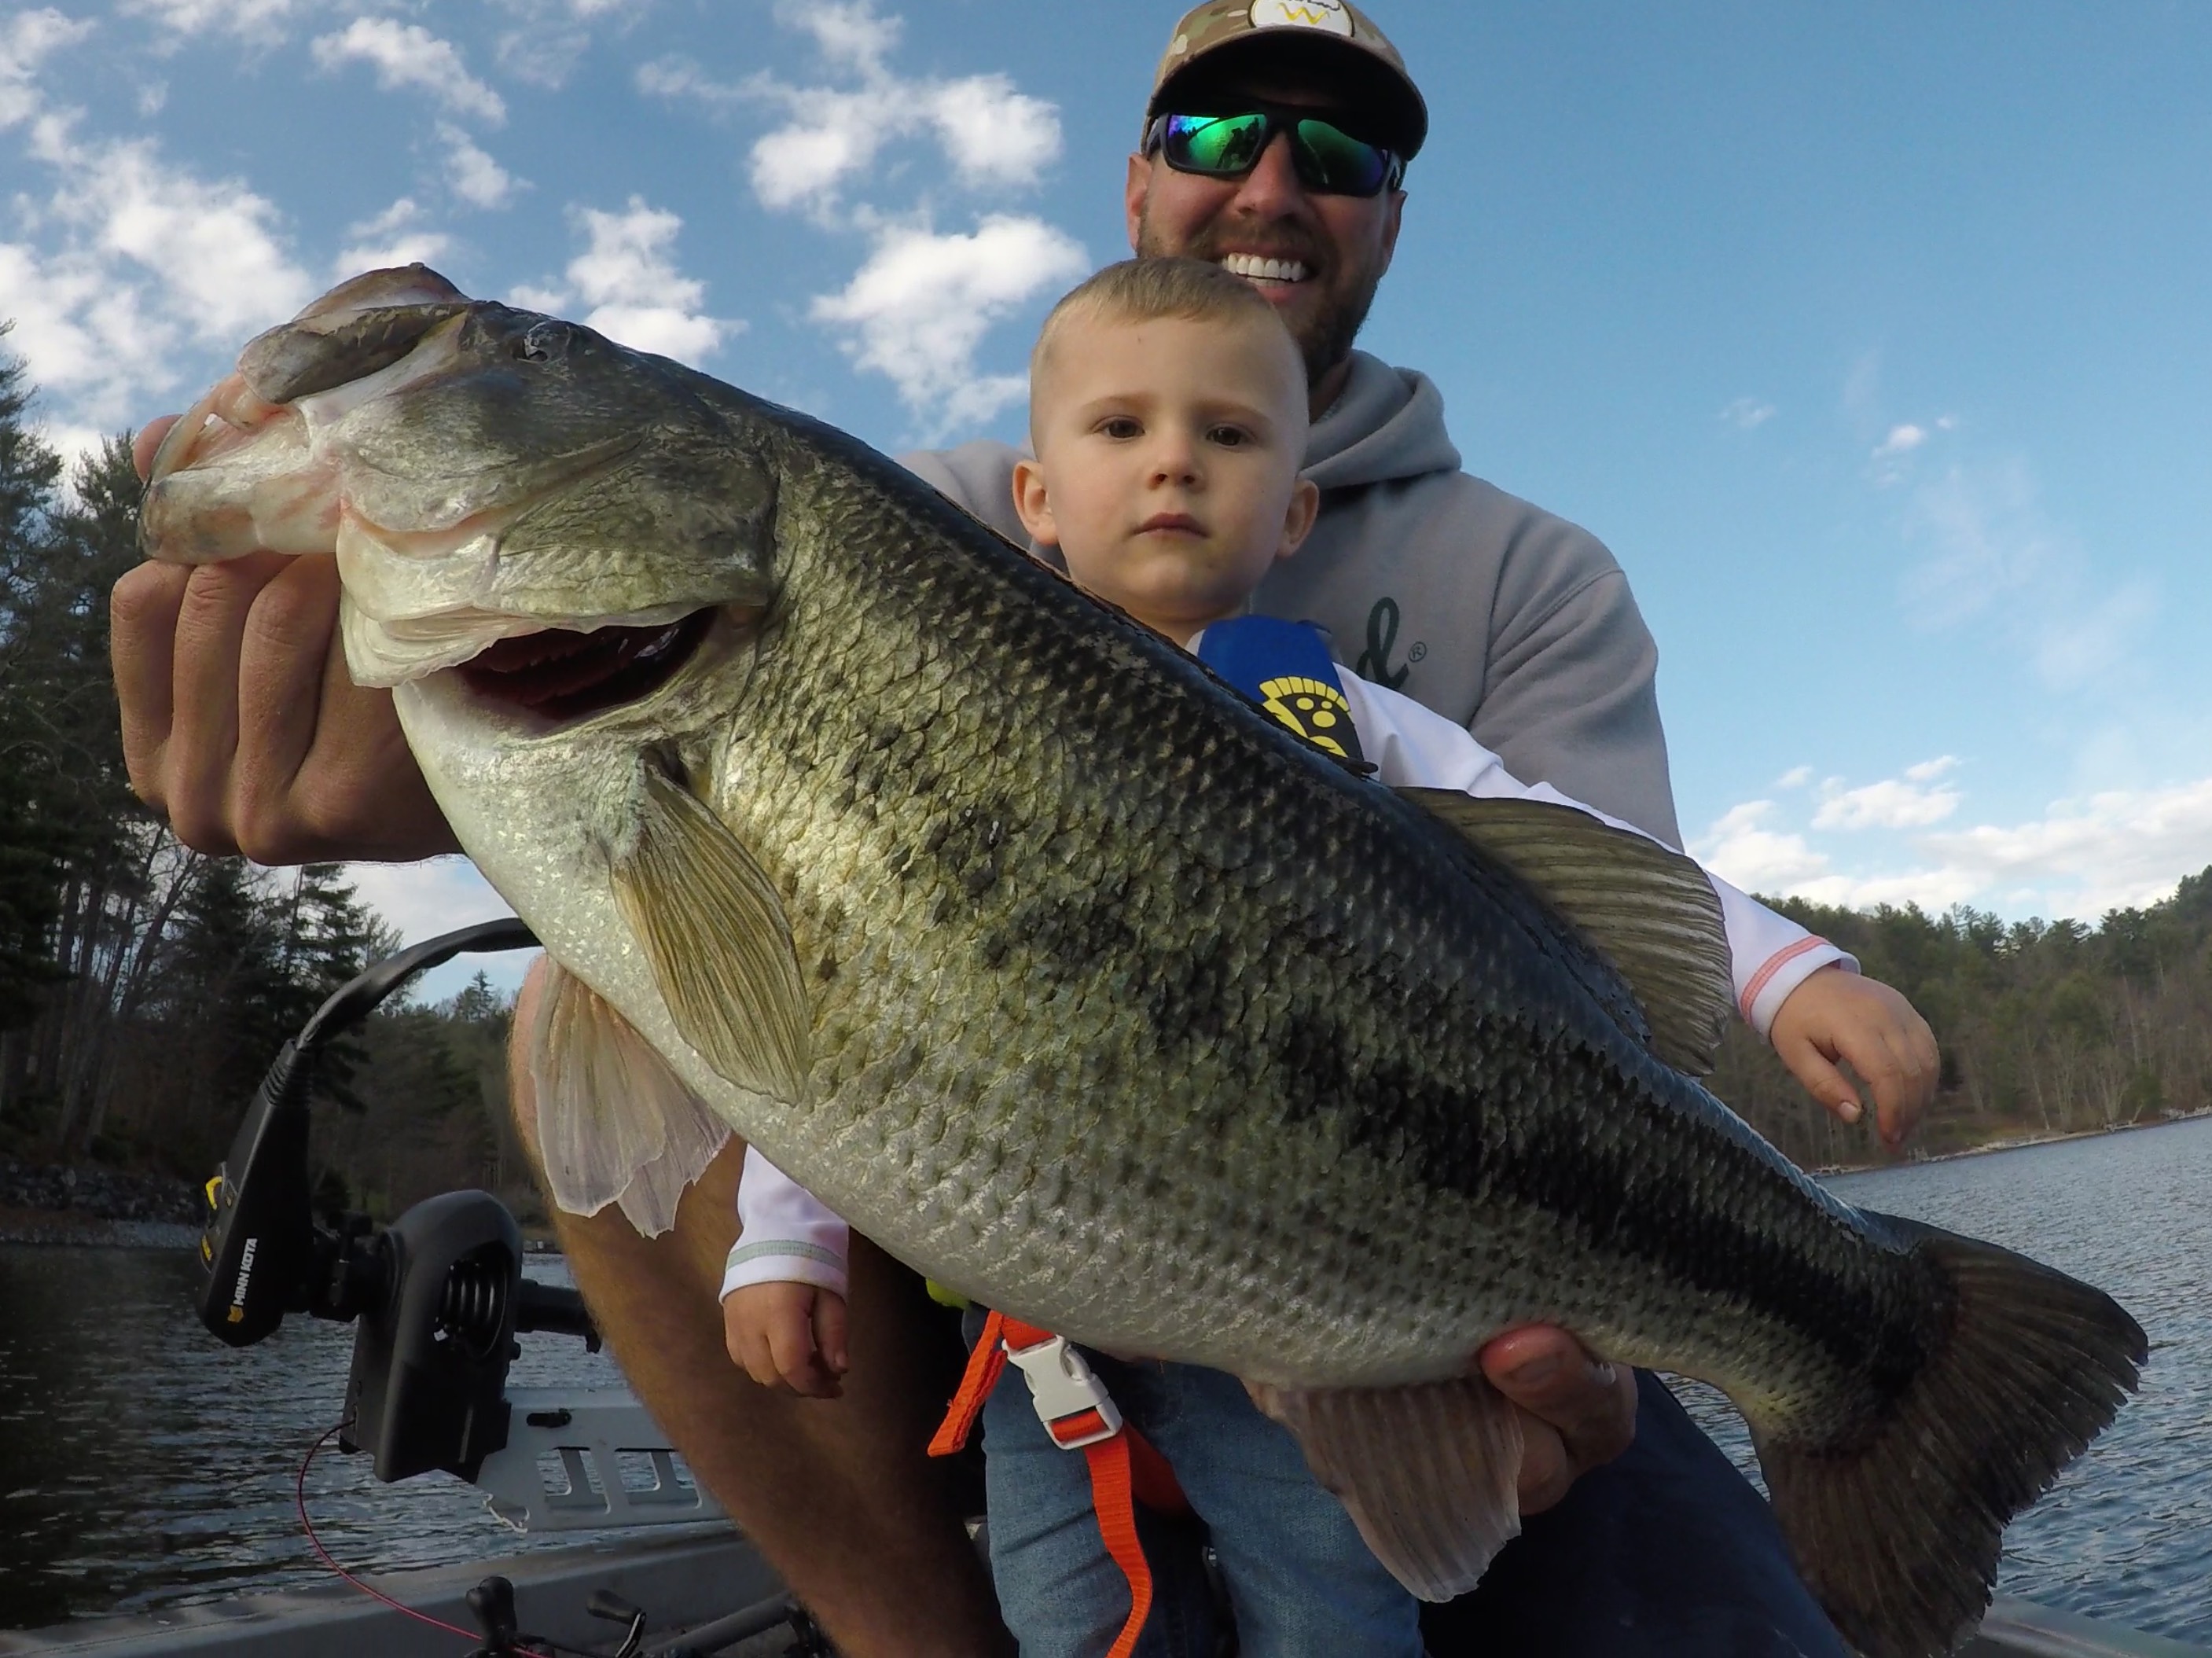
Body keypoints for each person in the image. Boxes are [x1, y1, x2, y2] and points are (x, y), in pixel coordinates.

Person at [112, 4, 1938, 1652]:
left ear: (1390, 216)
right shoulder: (927, 519)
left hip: (1429, 1269)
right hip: (991, 1255)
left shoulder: (1532, 577)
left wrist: (1581, 1338)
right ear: (1138, 176)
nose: (1273, 185)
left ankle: (1858, 1373)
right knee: (574, 1020)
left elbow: (1626, 1007)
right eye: (1219, 138)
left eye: (1344, 150)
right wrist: (394, 760)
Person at [719, 256, 1933, 1658]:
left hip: (1305, 1333)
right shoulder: (925, 692)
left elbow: (1571, 851)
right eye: (1119, 430)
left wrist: (1790, 972)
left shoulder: (1352, 709)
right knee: (1070, 1628)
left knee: (1336, 1616)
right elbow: (821, 992)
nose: (1172, 461)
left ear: (1292, 508)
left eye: (1225, 436)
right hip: (1038, 1357)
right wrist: (782, 1239)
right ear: (1033, 501)